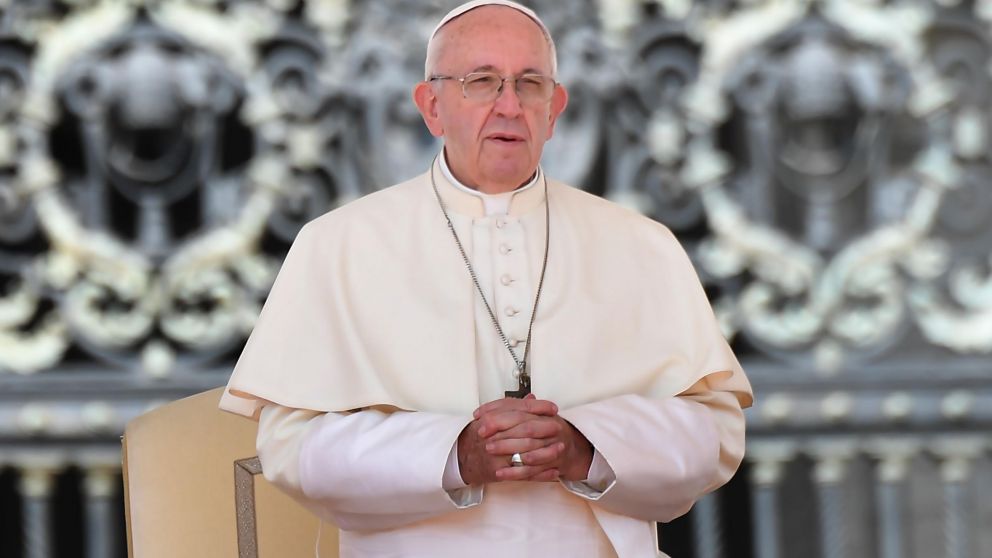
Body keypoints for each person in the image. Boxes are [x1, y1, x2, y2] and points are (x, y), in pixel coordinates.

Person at [219, 1, 753, 556]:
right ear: (431, 106)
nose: (509, 106)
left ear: (556, 107)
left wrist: (587, 446)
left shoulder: (642, 245)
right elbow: (289, 449)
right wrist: (453, 454)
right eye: (480, 82)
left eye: (529, 84)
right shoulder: (338, 243)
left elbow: (714, 435)